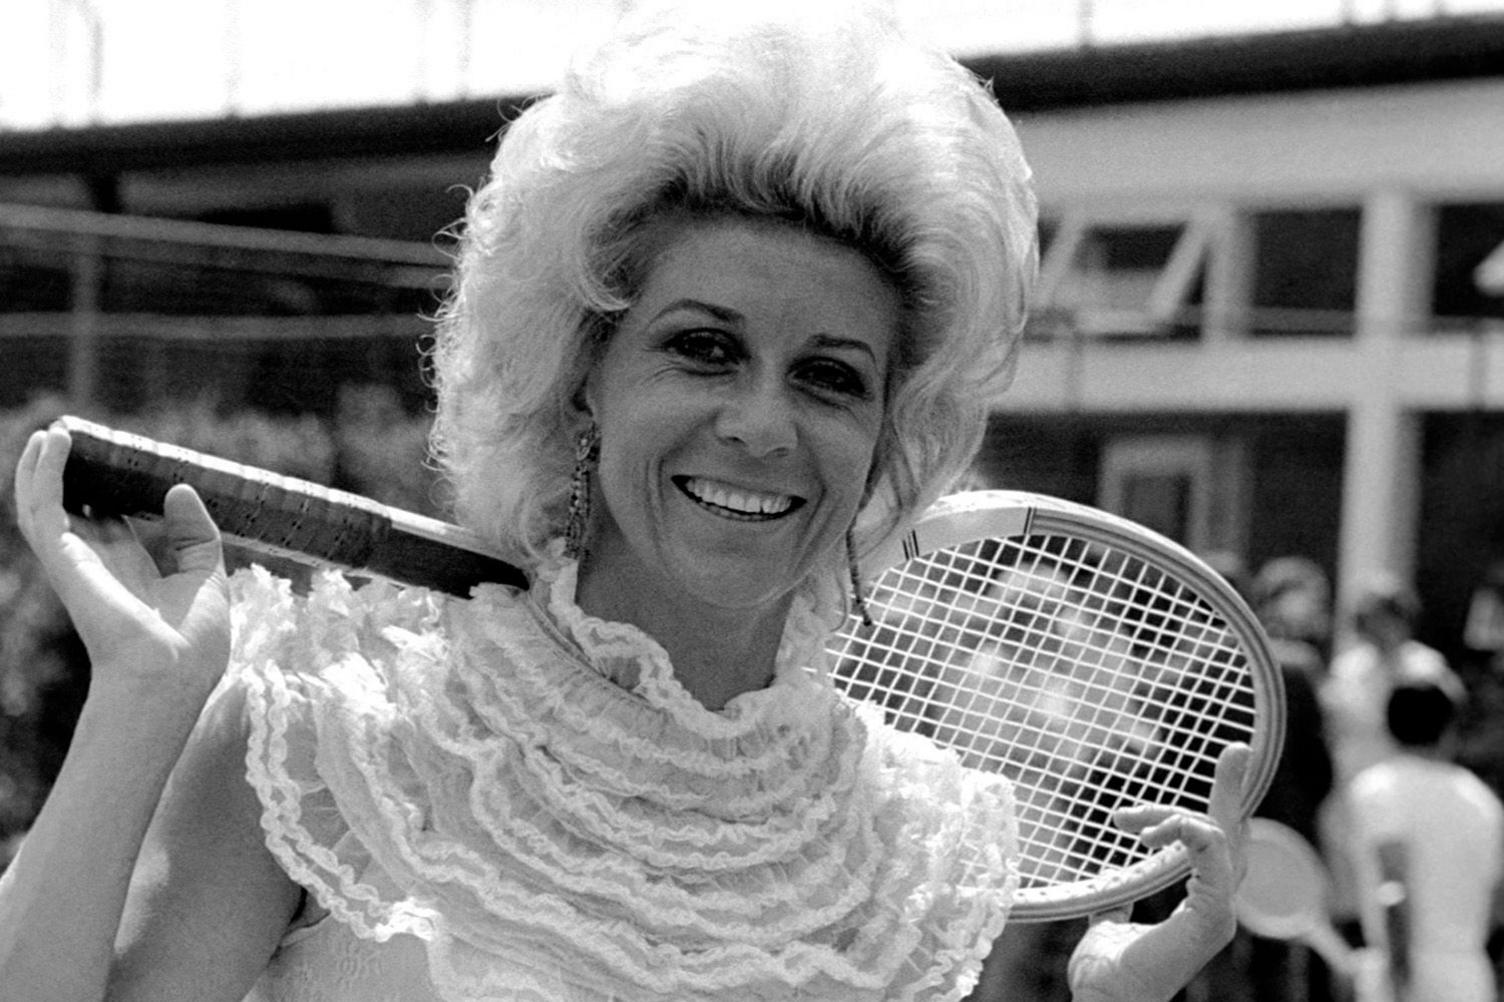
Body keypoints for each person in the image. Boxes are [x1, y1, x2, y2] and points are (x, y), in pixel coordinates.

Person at [0, 4, 1248, 1001]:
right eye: (702, 349)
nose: (762, 423)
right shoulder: (336, 732)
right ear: (582, 375)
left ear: (884, 442)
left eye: (828, 376)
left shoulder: (908, 860)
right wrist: (140, 704)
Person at [1346, 681, 1504, 1002]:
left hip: (1404, 979)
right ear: (1449, 729)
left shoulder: (1377, 789)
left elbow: (1393, 892)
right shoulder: (1483, 801)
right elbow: (1495, 905)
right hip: (1469, 978)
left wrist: (1399, 981)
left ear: (1388, 727)